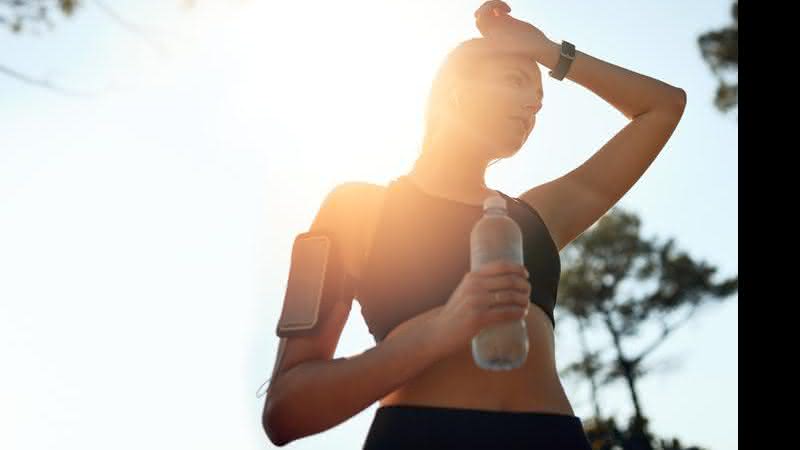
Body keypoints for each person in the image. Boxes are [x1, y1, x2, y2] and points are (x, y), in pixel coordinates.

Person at [262, 1, 687, 448]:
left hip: (552, 439)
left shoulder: (536, 217)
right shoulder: (357, 208)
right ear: (456, 90)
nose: (531, 105)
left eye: (539, 103)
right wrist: (442, 327)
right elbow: (286, 409)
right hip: (421, 436)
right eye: (515, 81)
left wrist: (548, 52)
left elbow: (663, 106)